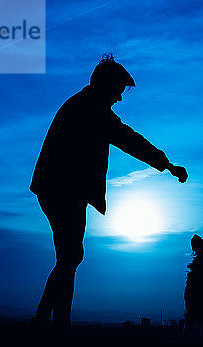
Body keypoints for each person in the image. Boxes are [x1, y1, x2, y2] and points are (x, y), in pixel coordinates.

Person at [30, 54, 188, 329]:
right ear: (107, 85)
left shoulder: (85, 106)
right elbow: (130, 140)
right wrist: (167, 165)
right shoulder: (91, 110)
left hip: (60, 189)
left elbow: (127, 138)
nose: (120, 98)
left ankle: (49, 319)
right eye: (118, 90)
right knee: (70, 257)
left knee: (70, 256)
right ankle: (52, 322)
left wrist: (165, 164)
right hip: (63, 190)